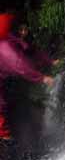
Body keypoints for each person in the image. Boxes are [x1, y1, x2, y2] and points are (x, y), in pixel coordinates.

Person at [0, 12, 55, 140]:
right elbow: (20, 66)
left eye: (26, 29)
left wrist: (50, 61)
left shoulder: (13, 39)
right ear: (14, 29)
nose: (24, 32)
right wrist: (42, 78)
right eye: (21, 29)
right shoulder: (5, 46)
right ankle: (5, 138)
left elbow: (32, 52)